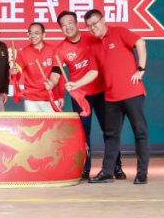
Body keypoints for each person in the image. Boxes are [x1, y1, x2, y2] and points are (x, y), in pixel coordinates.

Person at [74, 9, 149, 186]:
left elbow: (140, 42)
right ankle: (107, 172)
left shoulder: (119, 32)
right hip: (111, 97)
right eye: (89, 26)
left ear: (103, 20)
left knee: (140, 131)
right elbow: (93, 72)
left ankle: (142, 173)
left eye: (95, 23)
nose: (93, 28)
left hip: (132, 92)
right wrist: (76, 84)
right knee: (110, 135)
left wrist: (141, 68)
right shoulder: (95, 46)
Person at [50, 10, 124, 181]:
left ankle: (116, 167)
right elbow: (55, 73)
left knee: (109, 131)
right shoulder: (60, 49)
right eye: (63, 25)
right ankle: (85, 168)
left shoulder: (92, 38)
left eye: (70, 23)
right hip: (79, 96)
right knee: (83, 134)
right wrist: (51, 83)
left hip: (101, 91)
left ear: (77, 24)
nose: (67, 27)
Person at [15, 22, 56, 112]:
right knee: (33, 122)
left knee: (53, 122)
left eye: (36, 33)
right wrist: (14, 72)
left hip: (51, 96)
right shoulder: (23, 52)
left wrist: (61, 96)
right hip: (31, 99)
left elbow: (58, 73)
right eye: (30, 33)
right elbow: (16, 74)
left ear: (44, 35)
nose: (33, 36)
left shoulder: (53, 50)